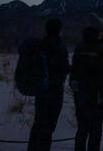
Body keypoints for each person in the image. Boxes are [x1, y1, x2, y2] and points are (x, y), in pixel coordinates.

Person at [70, 13, 103, 151]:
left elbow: (74, 71)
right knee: (95, 130)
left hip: (80, 94)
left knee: (82, 128)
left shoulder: (79, 46)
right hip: (96, 95)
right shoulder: (102, 48)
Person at [28, 18, 70, 151]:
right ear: (59, 30)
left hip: (41, 91)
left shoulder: (41, 44)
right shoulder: (58, 45)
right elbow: (61, 68)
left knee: (39, 123)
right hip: (54, 90)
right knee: (49, 126)